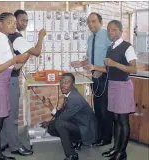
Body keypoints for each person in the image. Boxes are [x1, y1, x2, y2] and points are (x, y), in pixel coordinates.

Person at [83, 20, 137, 160]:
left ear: (120, 31)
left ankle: (122, 153)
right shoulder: (110, 48)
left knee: (123, 120)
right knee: (115, 119)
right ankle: (116, 148)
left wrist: (114, 63)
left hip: (123, 86)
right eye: (108, 30)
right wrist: (94, 67)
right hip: (112, 85)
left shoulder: (127, 47)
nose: (110, 32)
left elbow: (133, 68)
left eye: (113, 30)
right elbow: (108, 68)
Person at [0, 12, 30, 160]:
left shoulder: (6, 41)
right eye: (10, 22)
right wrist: (14, 59)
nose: (13, 25)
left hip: (3, 85)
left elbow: (12, 67)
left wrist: (23, 58)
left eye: (15, 23)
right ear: (0, 24)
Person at [0, 9, 46, 156]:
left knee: (5, 113)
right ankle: (14, 146)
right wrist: (41, 37)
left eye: (26, 21)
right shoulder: (17, 37)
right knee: (12, 115)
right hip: (11, 79)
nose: (23, 23)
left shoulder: (8, 37)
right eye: (20, 20)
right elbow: (37, 52)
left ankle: (3, 142)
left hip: (5, 78)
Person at [71, 12, 113, 147]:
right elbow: (90, 58)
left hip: (105, 76)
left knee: (104, 109)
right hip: (94, 77)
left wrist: (100, 69)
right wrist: (80, 63)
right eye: (88, 22)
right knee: (97, 108)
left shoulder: (107, 35)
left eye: (93, 21)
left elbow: (113, 57)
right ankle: (99, 136)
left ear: (100, 22)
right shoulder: (90, 38)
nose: (90, 24)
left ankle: (106, 138)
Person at [42, 73, 98, 160]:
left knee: (58, 124)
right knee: (52, 127)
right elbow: (63, 115)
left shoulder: (74, 98)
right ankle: (77, 140)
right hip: (78, 123)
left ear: (73, 84)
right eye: (61, 82)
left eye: (66, 82)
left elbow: (61, 118)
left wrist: (49, 122)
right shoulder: (70, 94)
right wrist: (50, 106)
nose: (63, 85)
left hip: (86, 130)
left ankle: (72, 155)